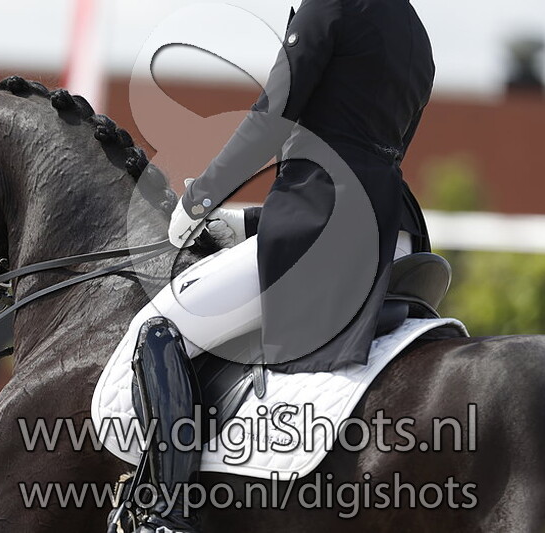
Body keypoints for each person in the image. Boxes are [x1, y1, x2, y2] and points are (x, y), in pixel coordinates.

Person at [100, 1, 434, 531]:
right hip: (395, 231)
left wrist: (202, 198)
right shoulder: (416, 33)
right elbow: (357, 152)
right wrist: (249, 223)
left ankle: (165, 512)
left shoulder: (331, 7)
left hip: (328, 233)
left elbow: (272, 115)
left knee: (162, 325)